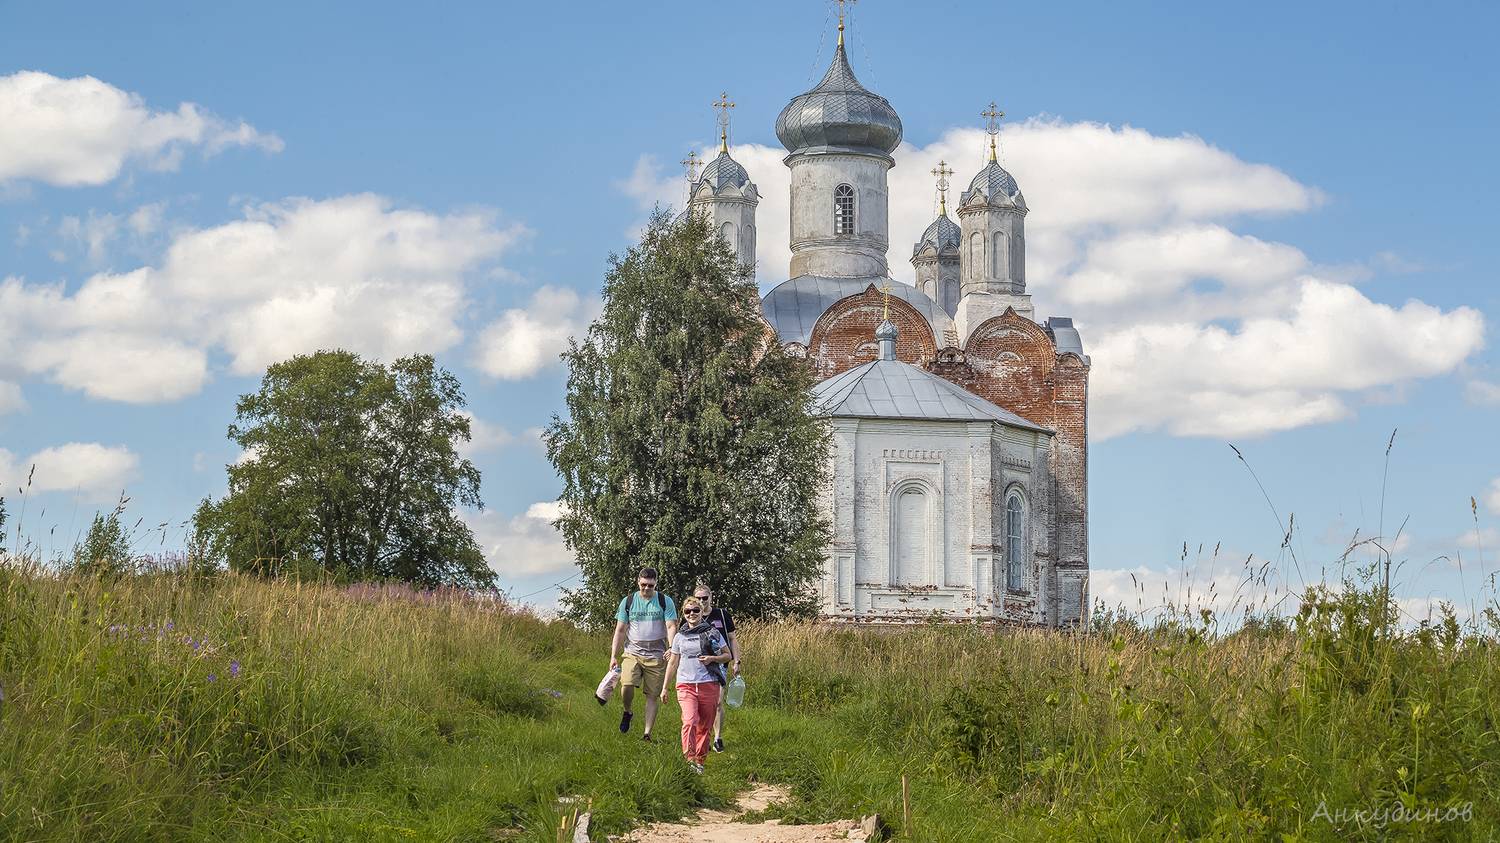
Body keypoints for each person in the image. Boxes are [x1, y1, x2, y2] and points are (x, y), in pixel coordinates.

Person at [661, 596, 731, 773]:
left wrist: (712, 658)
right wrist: (664, 687)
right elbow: (673, 662)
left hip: (709, 683)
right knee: (690, 721)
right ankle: (689, 759)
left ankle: (700, 761)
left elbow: (727, 655)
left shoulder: (713, 633)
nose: (691, 614)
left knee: (704, 726)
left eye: (695, 610)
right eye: (687, 611)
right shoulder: (679, 637)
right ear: (683, 614)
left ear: (701, 612)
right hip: (686, 684)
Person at [609, 567, 678, 742]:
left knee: (652, 695)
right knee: (627, 684)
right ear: (638, 582)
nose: (647, 588)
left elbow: (671, 626)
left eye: (650, 585)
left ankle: (647, 734)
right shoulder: (628, 601)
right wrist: (613, 656)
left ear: (656, 584)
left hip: (657, 655)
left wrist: (672, 647)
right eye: (643, 585)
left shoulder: (665, 601)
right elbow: (620, 630)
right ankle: (628, 711)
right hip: (633, 652)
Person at [692, 582, 740, 752]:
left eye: (705, 598)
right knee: (700, 702)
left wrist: (737, 661)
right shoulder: (691, 615)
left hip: (720, 662)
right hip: (698, 664)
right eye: (698, 598)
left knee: (718, 702)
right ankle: (701, 735)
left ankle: (718, 738)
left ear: (711, 597)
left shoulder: (722, 615)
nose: (702, 601)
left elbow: (732, 639)